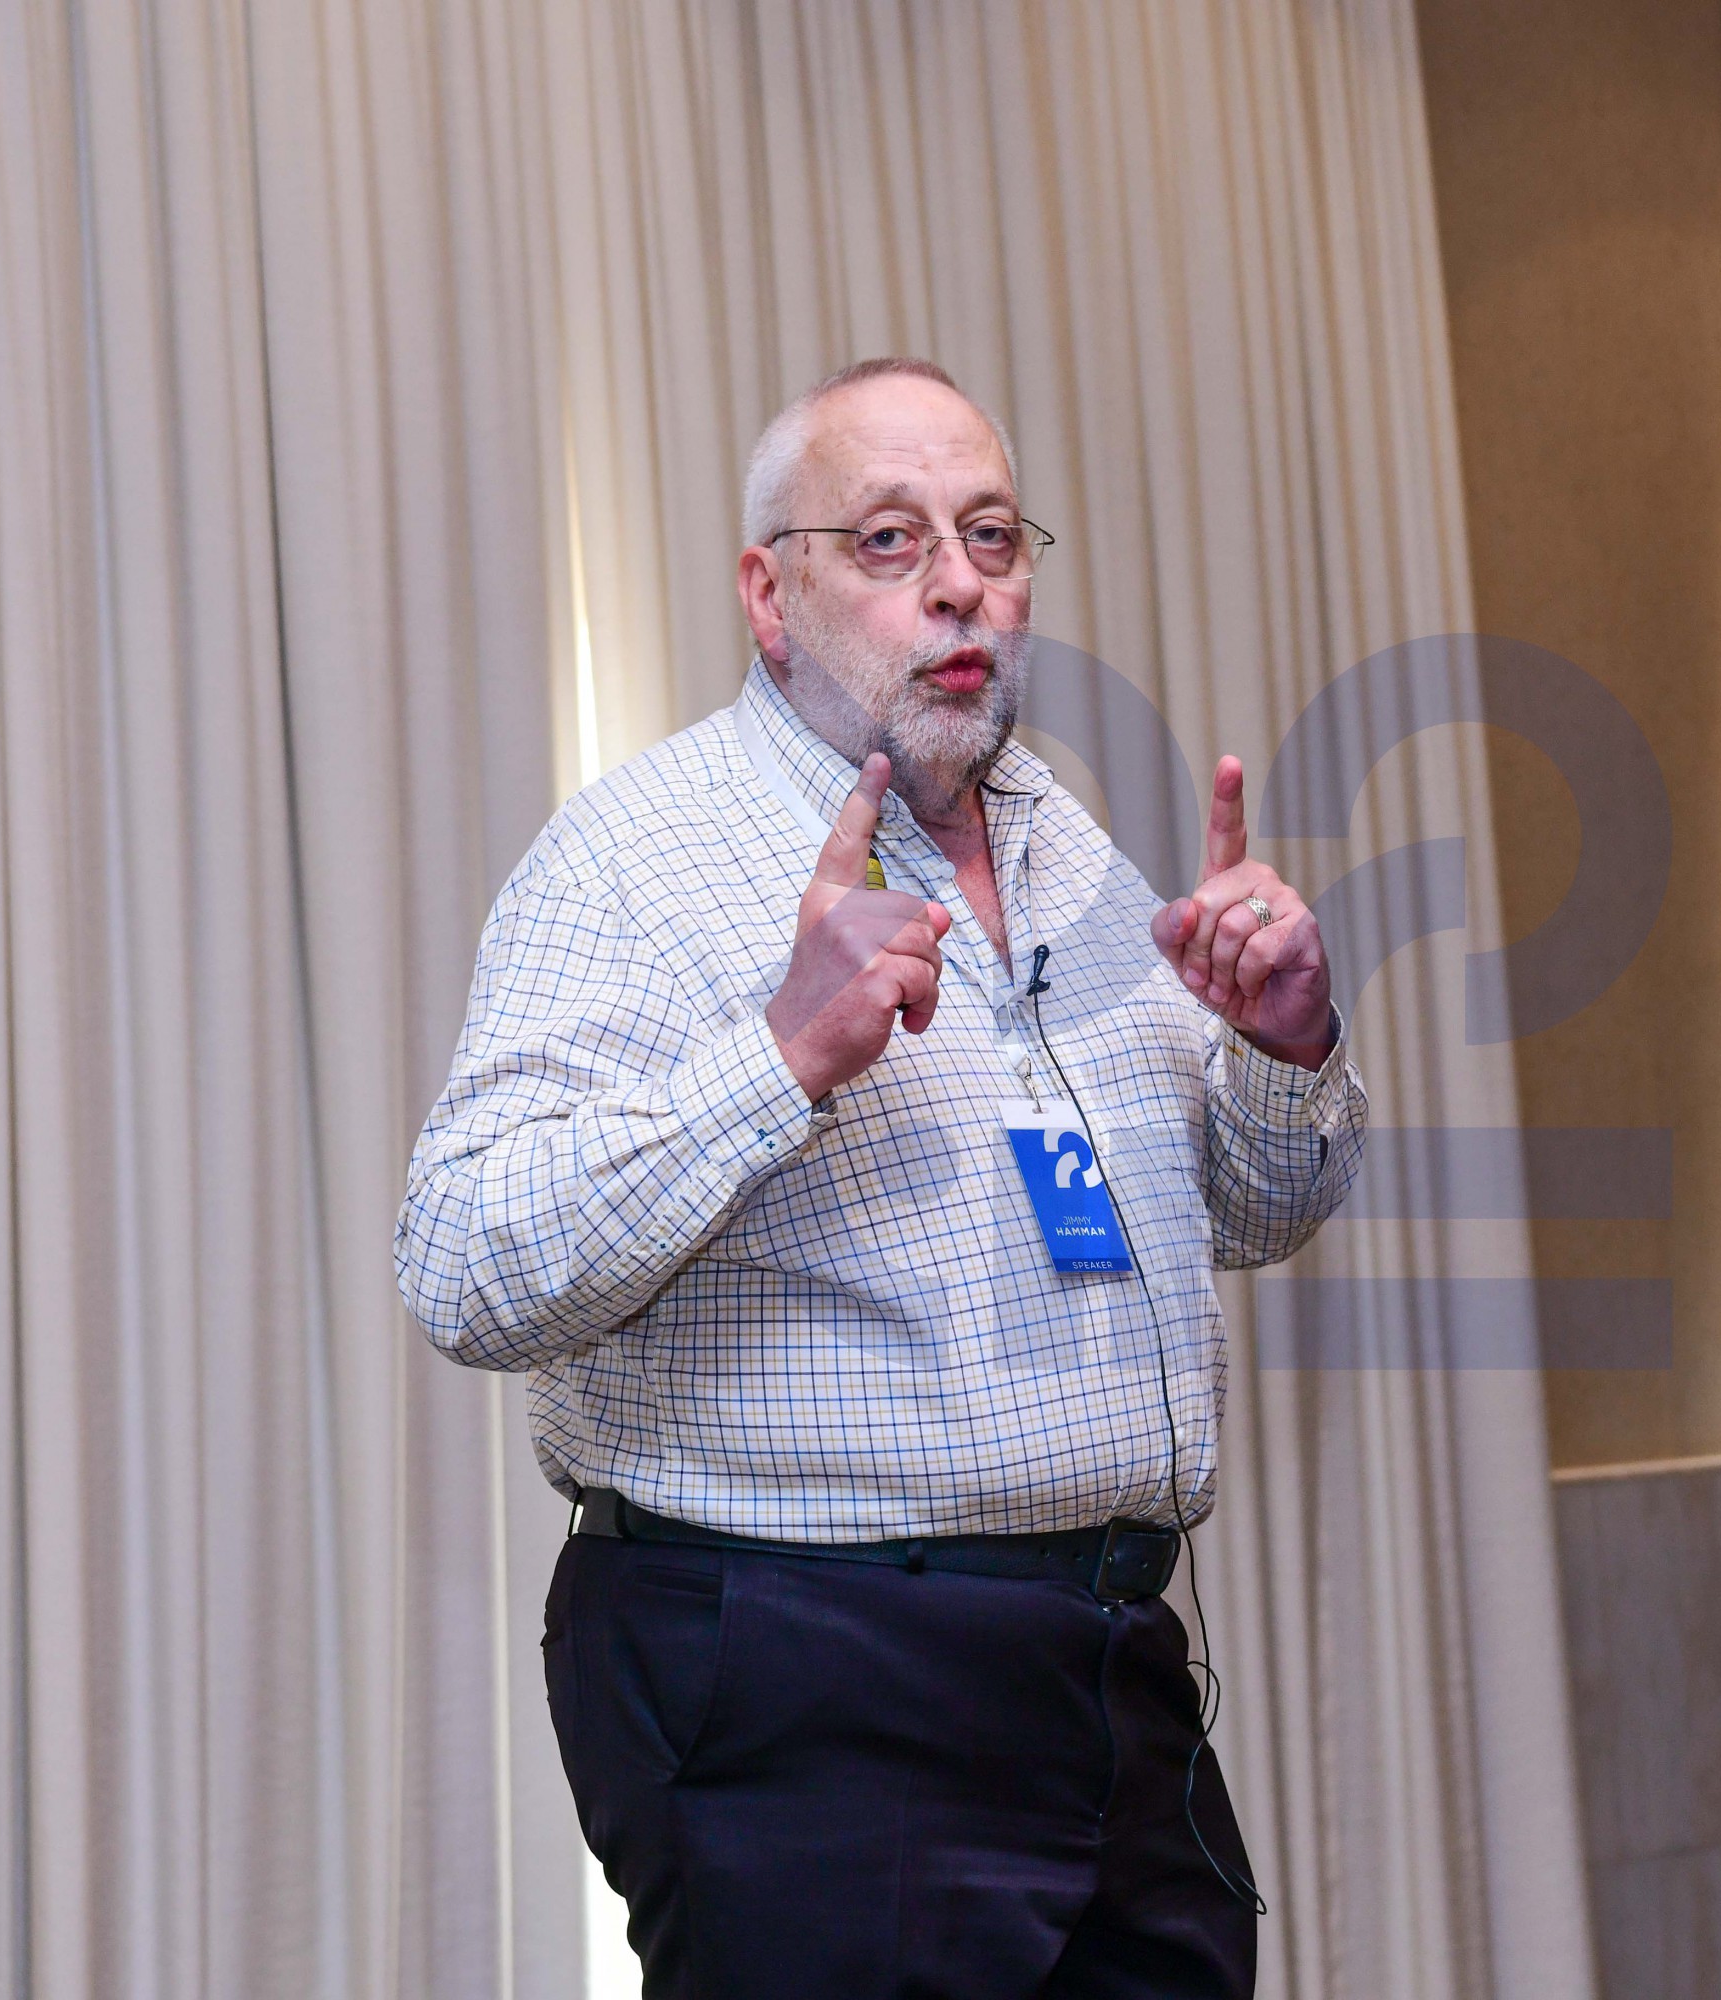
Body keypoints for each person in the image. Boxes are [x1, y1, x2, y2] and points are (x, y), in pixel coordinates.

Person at [396, 356, 1365, 1997]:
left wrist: (1284, 1047)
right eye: (892, 541)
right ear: (770, 594)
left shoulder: (1066, 843)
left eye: (991, 535)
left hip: (1105, 1668)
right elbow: (461, 1266)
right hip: (804, 1682)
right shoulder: (637, 857)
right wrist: (780, 1056)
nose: (960, 583)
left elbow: (1252, 1214)